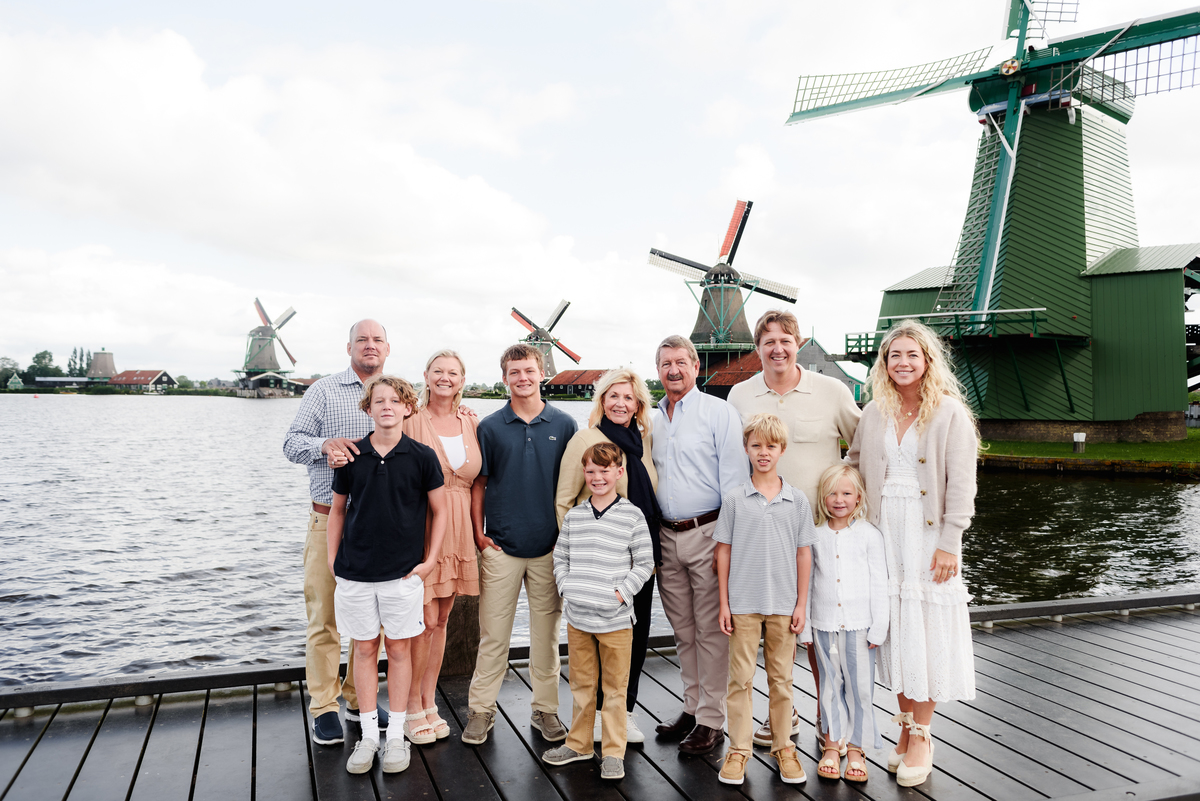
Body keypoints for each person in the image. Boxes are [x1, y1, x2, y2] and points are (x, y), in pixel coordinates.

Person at [845, 318, 978, 788]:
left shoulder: (948, 413)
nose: (902, 363)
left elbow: (962, 484)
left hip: (927, 538)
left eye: (911, 355)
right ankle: (903, 728)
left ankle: (923, 735)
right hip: (885, 537)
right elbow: (854, 464)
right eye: (894, 355)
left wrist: (950, 541)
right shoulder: (875, 411)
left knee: (925, 630)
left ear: (927, 361)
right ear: (884, 363)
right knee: (898, 632)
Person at [725, 309, 861, 749]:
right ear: (757, 348)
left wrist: (847, 496)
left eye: (786, 340)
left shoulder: (831, 391)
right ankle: (787, 712)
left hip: (819, 530)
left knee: (822, 629)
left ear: (797, 343)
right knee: (769, 630)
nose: (777, 349)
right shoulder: (740, 396)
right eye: (768, 342)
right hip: (762, 533)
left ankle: (830, 722)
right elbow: (730, 461)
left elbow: (862, 446)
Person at [326, 376, 447, 774]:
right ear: (368, 409)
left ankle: (395, 736)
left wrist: (429, 562)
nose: (387, 407)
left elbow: (440, 512)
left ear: (408, 408)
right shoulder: (352, 456)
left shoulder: (422, 456)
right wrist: (332, 560)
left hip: (402, 574)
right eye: (379, 401)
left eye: (396, 401)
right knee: (363, 649)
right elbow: (338, 510)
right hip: (355, 572)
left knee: (398, 650)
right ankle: (368, 736)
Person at [461, 343, 578, 746]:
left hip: (549, 549)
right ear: (505, 377)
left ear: (541, 371)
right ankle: (481, 709)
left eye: (529, 370)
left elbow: (573, 487)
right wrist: (479, 535)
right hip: (502, 548)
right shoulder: (490, 427)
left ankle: (545, 710)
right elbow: (480, 483)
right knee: (493, 635)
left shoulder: (564, 424)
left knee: (547, 636)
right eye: (514, 372)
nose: (522, 378)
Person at [283, 319, 393, 745]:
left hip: (380, 526)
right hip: (328, 518)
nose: (370, 345)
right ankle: (324, 706)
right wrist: (324, 444)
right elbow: (292, 442)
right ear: (348, 346)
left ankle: (357, 698)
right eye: (362, 339)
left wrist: (461, 411)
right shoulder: (324, 391)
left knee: (373, 623)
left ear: (388, 347)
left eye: (377, 339)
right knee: (324, 618)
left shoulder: (400, 395)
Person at [650, 335, 746, 755]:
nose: (673, 370)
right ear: (658, 370)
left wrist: (726, 544)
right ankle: (692, 708)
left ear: (695, 366)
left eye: (680, 362)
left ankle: (712, 720)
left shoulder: (719, 413)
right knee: (683, 631)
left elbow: (734, 482)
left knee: (711, 631)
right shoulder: (650, 418)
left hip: (708, 532)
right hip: (665, 536)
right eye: (665, 363)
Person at [553, 367, 660, 744]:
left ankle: (623, 712)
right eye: (613, 395)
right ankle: (594, 717)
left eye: (628, 397)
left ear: (638, 405)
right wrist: (577, 564)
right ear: (601, 401)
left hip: (640, 559)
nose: (620, 403)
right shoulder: (586, 438)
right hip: (599, 566)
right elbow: (565, 501)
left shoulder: (642, 442)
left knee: (635, 635)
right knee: (592, 643)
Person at [542, 442, 654, 781]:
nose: (597, 477)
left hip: (616, 621)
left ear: (619, 473)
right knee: (581, 684)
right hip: (578, 619)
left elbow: (645, 563)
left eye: (605, 471)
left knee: (615, 689)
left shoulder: (632, 515)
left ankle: (613, 751)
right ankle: (578, 744)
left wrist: (620, 594)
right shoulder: (575, 516)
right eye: (591, 471)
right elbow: (560, 558)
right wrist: (567, 588)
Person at [714, 414, 815, 786]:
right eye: (756, 445)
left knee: (782, 679)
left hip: (784, 605)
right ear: (746, 449)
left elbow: (804, 554)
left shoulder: (797, 500)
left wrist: (801, 604)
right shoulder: (735, 499)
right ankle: (738, 750)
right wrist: (724, 604)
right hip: (742, 604)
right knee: (739, 679)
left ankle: (784, 747)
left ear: (782, 450)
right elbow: (722, 553)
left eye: (771, 446)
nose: (763, 452)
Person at [401, 349, 483, 744]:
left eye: (453, 372)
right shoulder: (410, 419)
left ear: (462, 380)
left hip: (461, 530)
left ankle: (429, 701)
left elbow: (478, 480)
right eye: (438, 371)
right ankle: (411, 707)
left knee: (442, 621)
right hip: (424, 529)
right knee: (422, 623)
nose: (445, 377)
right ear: (426, 375)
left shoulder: (471, 422)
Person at [802, 464, 887, 783]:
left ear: (859, 497)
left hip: (860, 628)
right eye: (832, 493)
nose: (839, 499)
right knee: (829, 688)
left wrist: (880, 626)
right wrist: (807, 626)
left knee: (859, 690)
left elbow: (880, 584)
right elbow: (808, 583)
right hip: (824, 627)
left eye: (847, 493)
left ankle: (855, 750)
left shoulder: (869, 535)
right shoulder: (816, 536)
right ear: (823, 497)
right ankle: (831, 744)